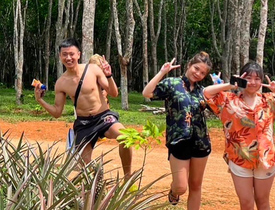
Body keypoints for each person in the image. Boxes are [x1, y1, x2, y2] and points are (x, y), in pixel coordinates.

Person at [203, 61, 275, 210]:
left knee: (263, 201)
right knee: (246, 203)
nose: (253, 82)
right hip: (239, 158)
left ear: (261, 81)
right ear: (242, 79)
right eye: (248, 78)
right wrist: (231, 85)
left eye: (257, 78)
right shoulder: (229, 101)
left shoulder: (269, 100)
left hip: (265, 159)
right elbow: (207, 92)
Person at [34, 38, 133, 178]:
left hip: (104, 117)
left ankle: (127, 178)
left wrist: (109, 75)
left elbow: (114, 93)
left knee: (126, 137)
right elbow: (57, 112)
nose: (68, 57)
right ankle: (96, 189)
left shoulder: (93, 69)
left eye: (72, 54)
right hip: (84, 124)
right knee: (84, 165)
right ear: (60, 56)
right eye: (65, 54)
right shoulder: (61, 83)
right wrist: (40, 100)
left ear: (78, 54)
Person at [142, 52, 213, 209]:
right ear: (189, 65)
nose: (198, 74)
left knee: (196, 186)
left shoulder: (203, 92)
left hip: (201, 142)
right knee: (181, 187)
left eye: (203, 73)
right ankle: (174, 192)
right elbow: (147, 93)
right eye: (196, 68)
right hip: (178, 141)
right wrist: (162, 72)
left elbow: (218, 110)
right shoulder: (172, 83)